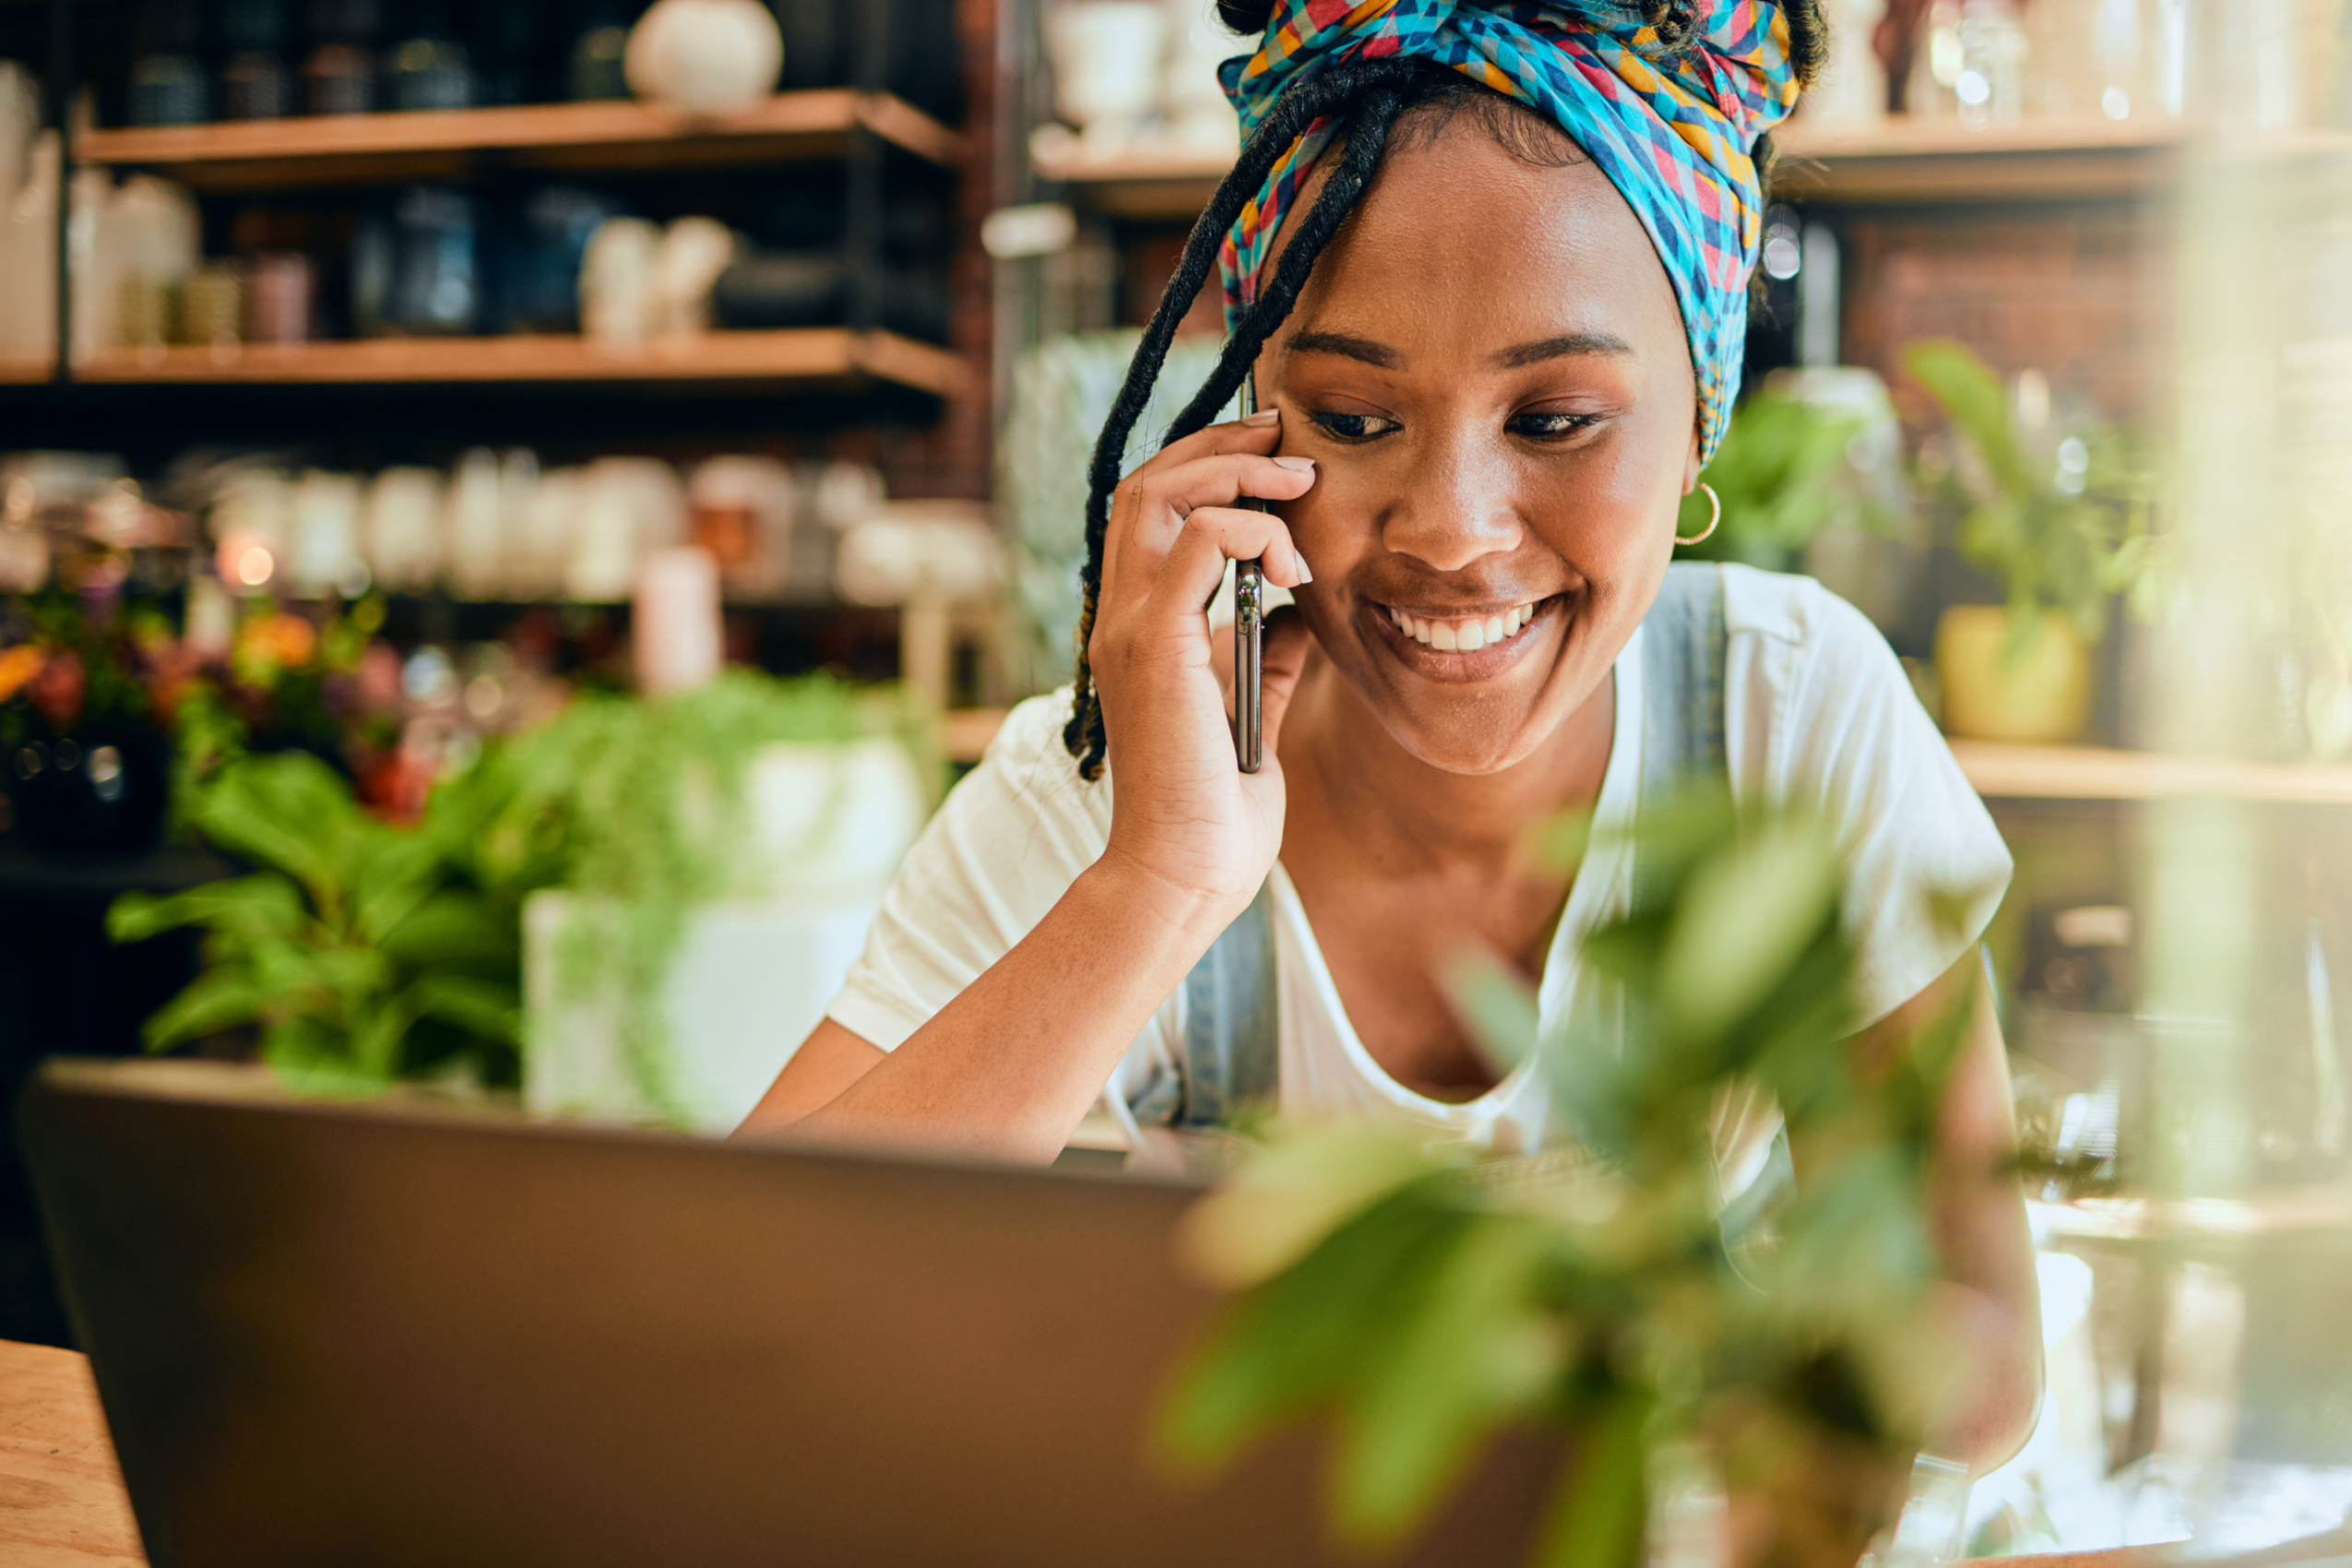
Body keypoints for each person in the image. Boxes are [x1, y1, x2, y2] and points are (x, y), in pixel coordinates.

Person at [742, 0, 2040, 1469]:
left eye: (1555, 419)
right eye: (1355, 419)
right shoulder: (1105, 786)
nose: (1452, 534)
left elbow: (1983, 1371)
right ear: (1247, 428)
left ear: (1700, 419)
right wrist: (1162, 881)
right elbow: (741, 1304)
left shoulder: (1787, 713)